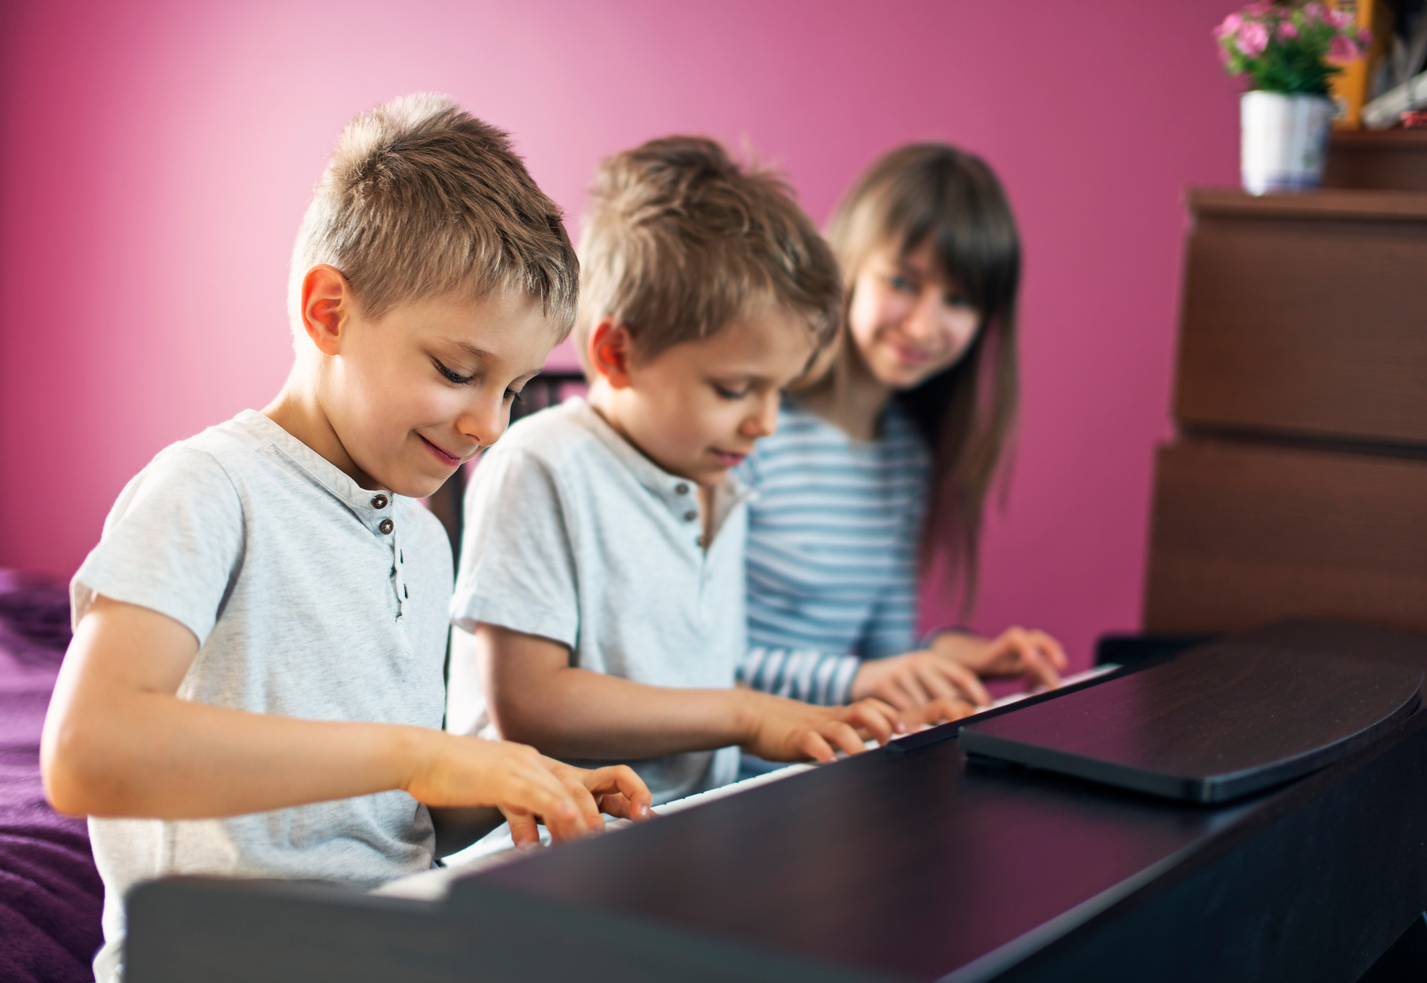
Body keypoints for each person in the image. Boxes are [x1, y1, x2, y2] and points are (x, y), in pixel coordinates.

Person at [39, 94, 652, 983]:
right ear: (329, 312)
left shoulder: (424, 533)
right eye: (456, 371)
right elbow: (87, 753)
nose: (487, 424)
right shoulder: (212, 490)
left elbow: (380, 824)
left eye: (513, 388)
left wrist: (512, 781)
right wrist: (424, 752)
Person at [446, 137, 918, 805]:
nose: (766, 422)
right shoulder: (542, 463)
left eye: (779, 390)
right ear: (617, 353)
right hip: (543, 843)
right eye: (734, 389)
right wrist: (746, 714)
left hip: (683, 829)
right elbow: (531, 701)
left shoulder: (720, 479)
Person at [737, 144, 1067, 722]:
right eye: (903, 281)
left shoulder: (905, 458)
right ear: (849, 264)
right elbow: (691, 663)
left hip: (823, 764)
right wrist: (861, 680)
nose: (923, 324)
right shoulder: (748, 428)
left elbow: (886, 656)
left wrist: (959, 659)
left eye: (959, 300)